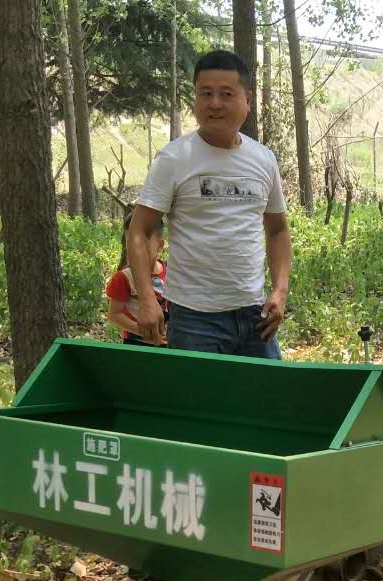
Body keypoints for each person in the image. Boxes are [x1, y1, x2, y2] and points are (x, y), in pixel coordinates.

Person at [126, 49, 291, 358]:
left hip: (256, 315)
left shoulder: (263, 159)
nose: (215, 103)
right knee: (201, 404)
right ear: (195, 100)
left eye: (226, 94)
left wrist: (280, 292)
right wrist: (147, 299)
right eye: (206, 93)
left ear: (247, 100)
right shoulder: (175, 158)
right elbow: (140, 230)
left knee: (268, 402)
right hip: (195, 319)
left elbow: (278, 231)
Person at [105, 208, 168, 346]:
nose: (135, 247)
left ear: (160, 245)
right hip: (136, 343)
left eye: (144, 241)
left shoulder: (170, 272)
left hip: (167, 343)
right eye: (130, 242)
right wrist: (144, 332)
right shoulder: (124, 277)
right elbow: (114, 314)